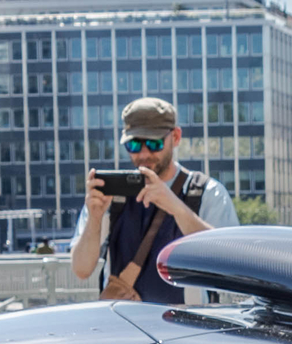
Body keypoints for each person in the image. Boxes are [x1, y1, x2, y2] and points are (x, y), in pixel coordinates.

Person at [71, 96, 235, 303]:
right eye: (134, 145)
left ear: (175, 137)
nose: (144, 154)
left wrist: (176, 207)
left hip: (188, 328)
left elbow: (228, 262)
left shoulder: (207, 192)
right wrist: (94, 217)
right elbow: (81, 270)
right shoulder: (111, 196)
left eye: (154, 143)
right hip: (125, 325)